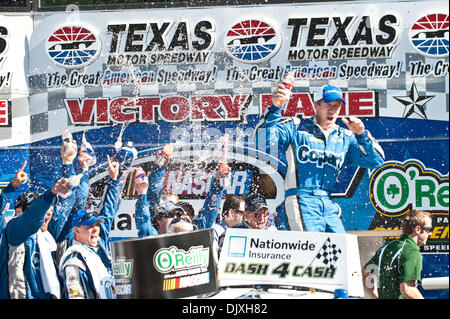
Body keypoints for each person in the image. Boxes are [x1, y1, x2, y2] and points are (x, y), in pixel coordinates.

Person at [255, 83, 385, 233]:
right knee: (312, 247)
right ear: (316, 105)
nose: (332, 110)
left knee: (339, 249)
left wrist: (361, 135)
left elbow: (376, 160)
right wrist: (275, 108)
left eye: (336, 106)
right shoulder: (297, 127)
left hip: (327, 203)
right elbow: (262, 140)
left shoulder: (345, 137)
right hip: (300, 199)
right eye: (328, 104)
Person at [58, 155, 121, 299]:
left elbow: (109, 211)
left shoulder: (98, 243)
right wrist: (81, 169)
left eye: (96, 225)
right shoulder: (74, 261)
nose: (95, 229)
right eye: (89, 226)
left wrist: (113, 180)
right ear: (76, 230)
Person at [0, 177, 70, 299]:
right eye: (43, 209)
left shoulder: (45, 237)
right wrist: (50, 194)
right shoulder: (15, 230)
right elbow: (33, 217)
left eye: (49, 210)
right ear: (19, 212)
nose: (48, 213)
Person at [362, 209, 433, 299]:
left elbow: (365, 273)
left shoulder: (386, 248)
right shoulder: (412, 252)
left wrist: (377, 296)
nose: (430, 233)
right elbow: (407, 290)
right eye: (428, 229)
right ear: (418, 229)